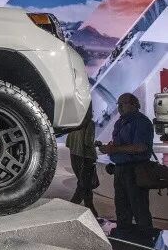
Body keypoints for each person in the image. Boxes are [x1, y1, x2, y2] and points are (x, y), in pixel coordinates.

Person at [98, 93, 154, 235]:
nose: (120, 107)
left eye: (123, 103)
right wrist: (110, 149)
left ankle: (145, 238)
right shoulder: (120, 122)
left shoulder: (141, 122)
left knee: (139, 206)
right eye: (119, 104)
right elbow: (120, 145)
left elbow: (141, 147)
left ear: (134, 104)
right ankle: (124, 234)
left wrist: (115, 149)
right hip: (120, 169)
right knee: (121, 205)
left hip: (136, 170)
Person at [66, 108, 99, 217]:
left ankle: (90, 211)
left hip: (74, 156)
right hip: (86, 158)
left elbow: (68, 143)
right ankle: (74, 209)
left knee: (83, 184)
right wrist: (96, 144)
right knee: (84, 185)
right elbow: (88, 142)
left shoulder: (73, 123)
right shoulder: (90, 123)